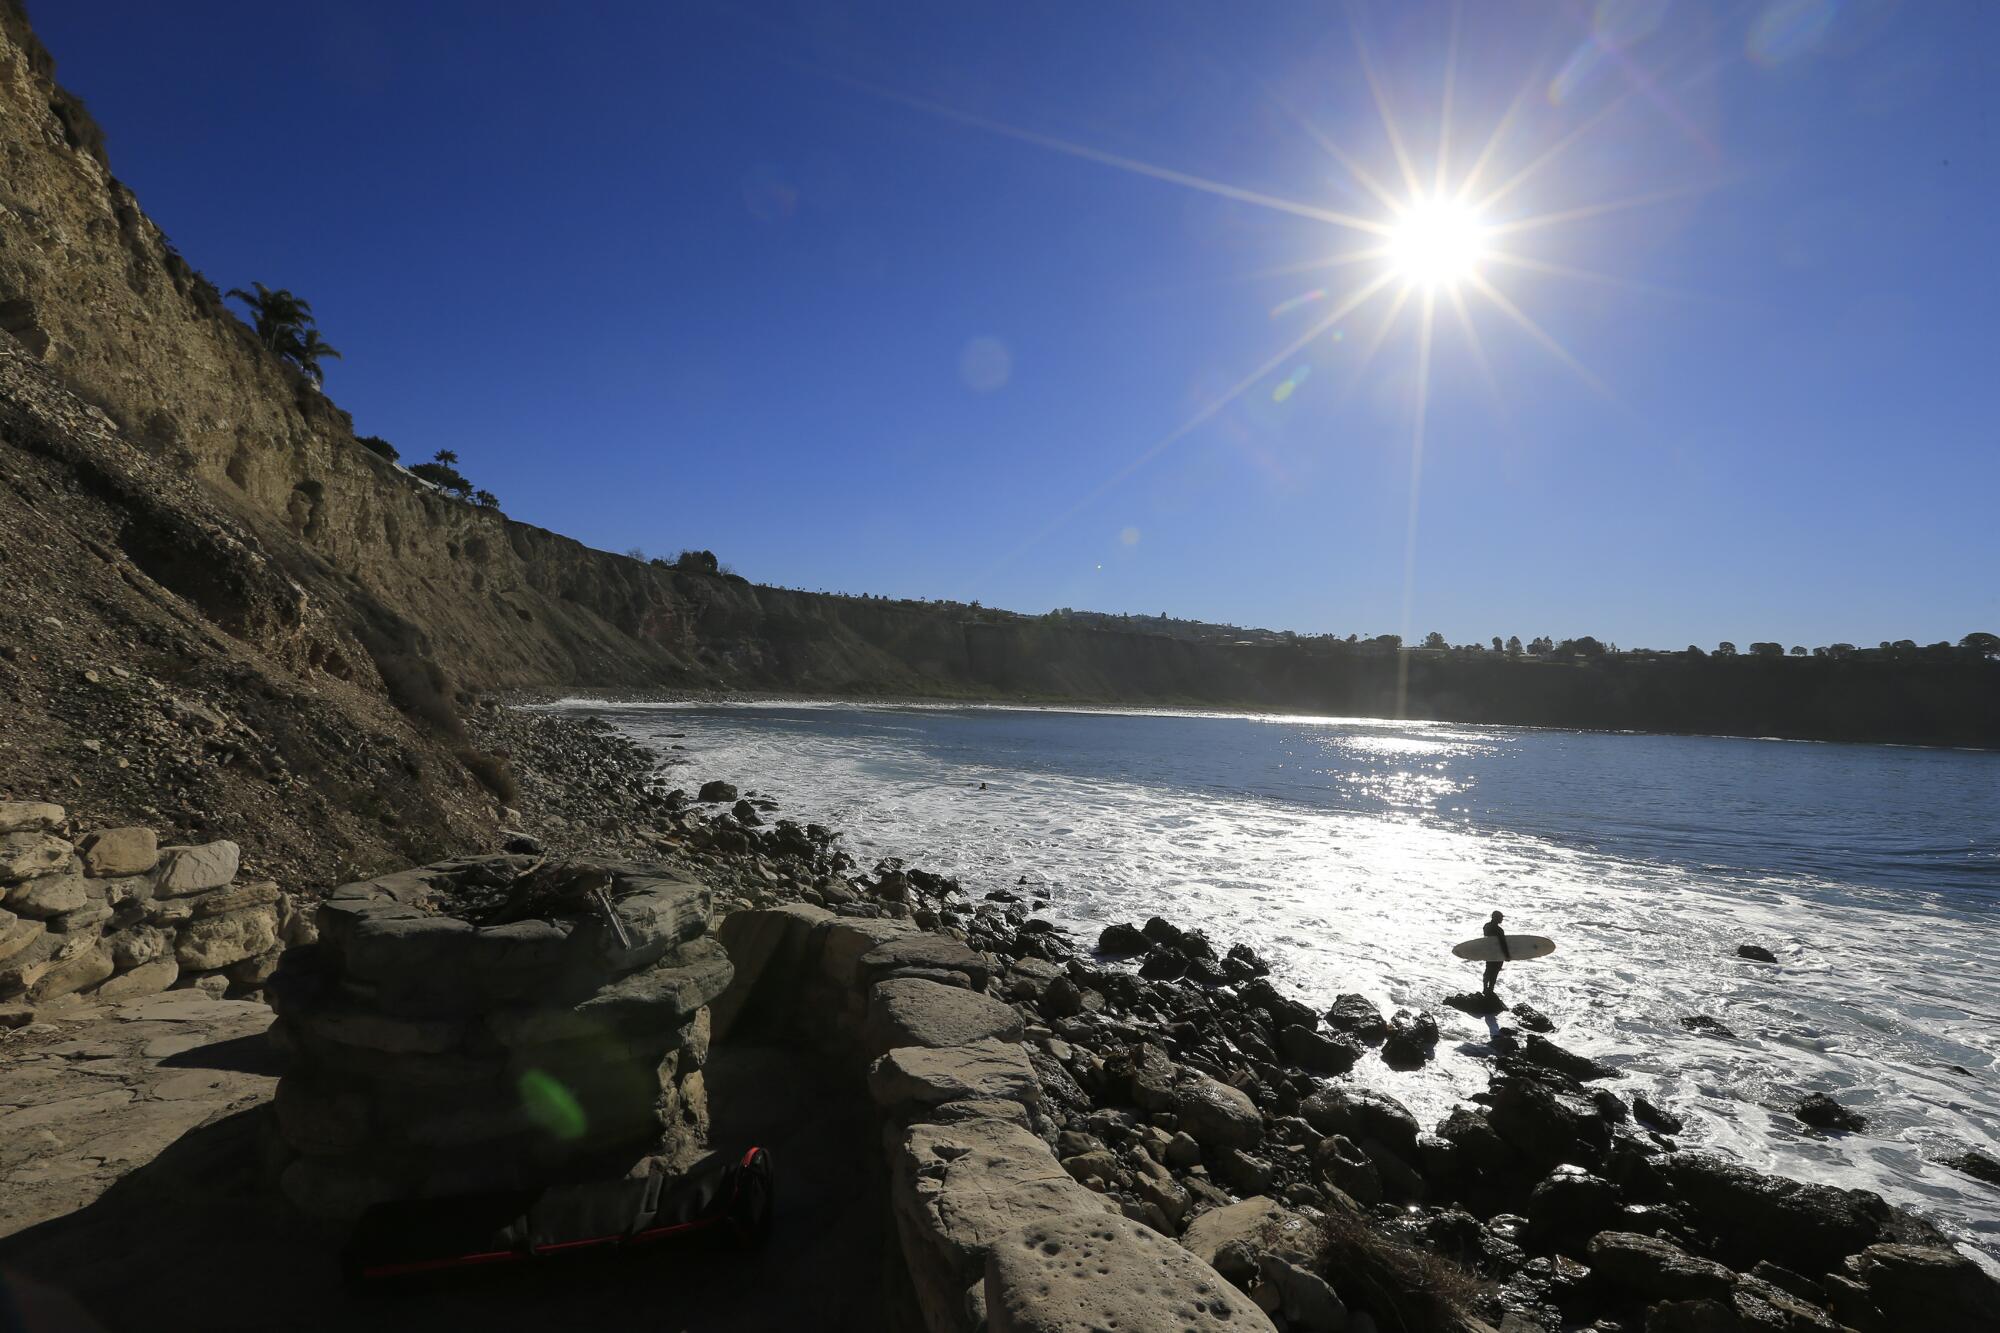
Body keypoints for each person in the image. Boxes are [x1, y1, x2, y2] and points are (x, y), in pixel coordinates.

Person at [1482, 910, 1511, 996]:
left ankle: (1485, 988)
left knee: (1488, 971)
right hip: (1498, 955)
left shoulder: (1486, 926)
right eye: (1501, 917)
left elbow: (1487, 939)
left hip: (1489, 953)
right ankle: (1490, 990)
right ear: (1496, 918)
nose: (1502, 919)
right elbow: (1503, 944)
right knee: (1494, 973)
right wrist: (1507, 956)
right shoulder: (1499, 930)